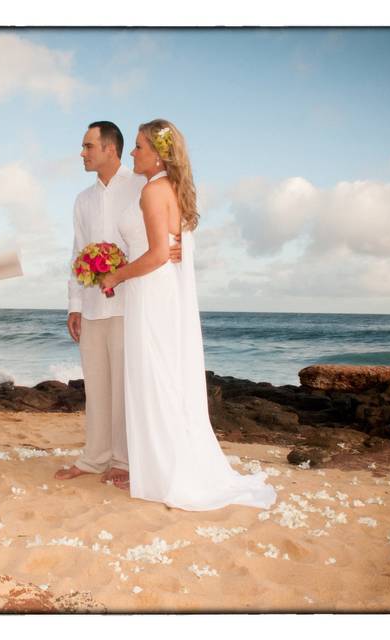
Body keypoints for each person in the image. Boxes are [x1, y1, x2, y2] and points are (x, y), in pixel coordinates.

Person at [99, 120, 277, 511]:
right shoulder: (171, 189)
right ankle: (158, 466)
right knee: (163, 377)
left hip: (151, 292)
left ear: (159, 153)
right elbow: (167, 249)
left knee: (154, 378)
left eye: (140, 146)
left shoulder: (151, 191)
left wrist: (115, 274)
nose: (133, 152)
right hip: (162, 291)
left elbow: (159, 254)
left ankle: (162, 473)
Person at [58, 121, 145, 486]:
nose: (82, 153)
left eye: (88, 146)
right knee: (95, 385)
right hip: (93, 306)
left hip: (131, 303)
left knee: (126, 385)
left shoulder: (141, 186)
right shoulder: (83, 199)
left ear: (110, 149)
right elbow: (77, 252)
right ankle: (94, 457)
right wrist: (74, 304)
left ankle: (124, 461)